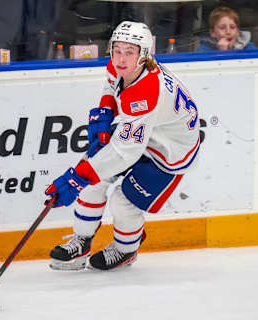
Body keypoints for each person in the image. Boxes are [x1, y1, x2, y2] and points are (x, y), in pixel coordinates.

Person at [45, 21, 200, 271]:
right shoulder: (122, 66)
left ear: (144, 55)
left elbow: (125, 152)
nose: (121, 58)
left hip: (170, 151)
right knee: (92, 175)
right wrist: (106, 108)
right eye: (117, 49)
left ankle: (126, 249)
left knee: (122, 200)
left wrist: (76, 178)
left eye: (129, 51)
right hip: (145, 131)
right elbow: (111, 84)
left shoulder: (146, 92)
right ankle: (82, 241)